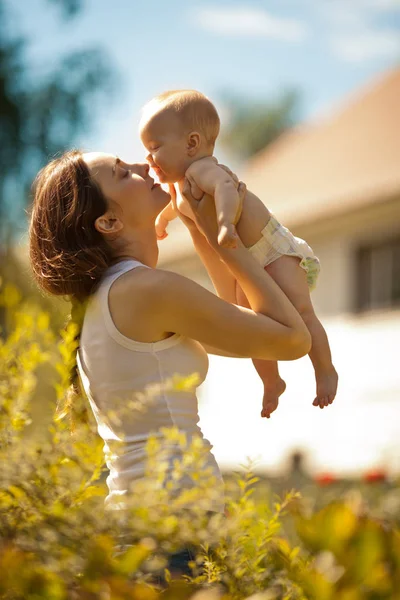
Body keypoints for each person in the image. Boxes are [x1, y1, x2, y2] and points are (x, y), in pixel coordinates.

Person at [28, 149, 310, 577]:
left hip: (153, 535)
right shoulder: (144, 290)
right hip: (174, 542)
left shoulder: (114, 295)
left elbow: (243, 322)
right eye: (124, 174)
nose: (143, 167)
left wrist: (201, 226)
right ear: (108, 222)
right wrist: (225, 234)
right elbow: (290, 339)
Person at [139, 89, 338, 419]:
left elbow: (227, 189)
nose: (149, 158)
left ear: (191, 144)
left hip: (273, 251)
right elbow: (176, 209)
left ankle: (325, 369)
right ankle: (272, 382)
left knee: (301, 312)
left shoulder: (202, 169)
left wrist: (225, 224)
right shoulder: (176, 185)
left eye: (155, 147)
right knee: (257, 328)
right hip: (249, 262)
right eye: (147, 149)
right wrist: (161, 220)